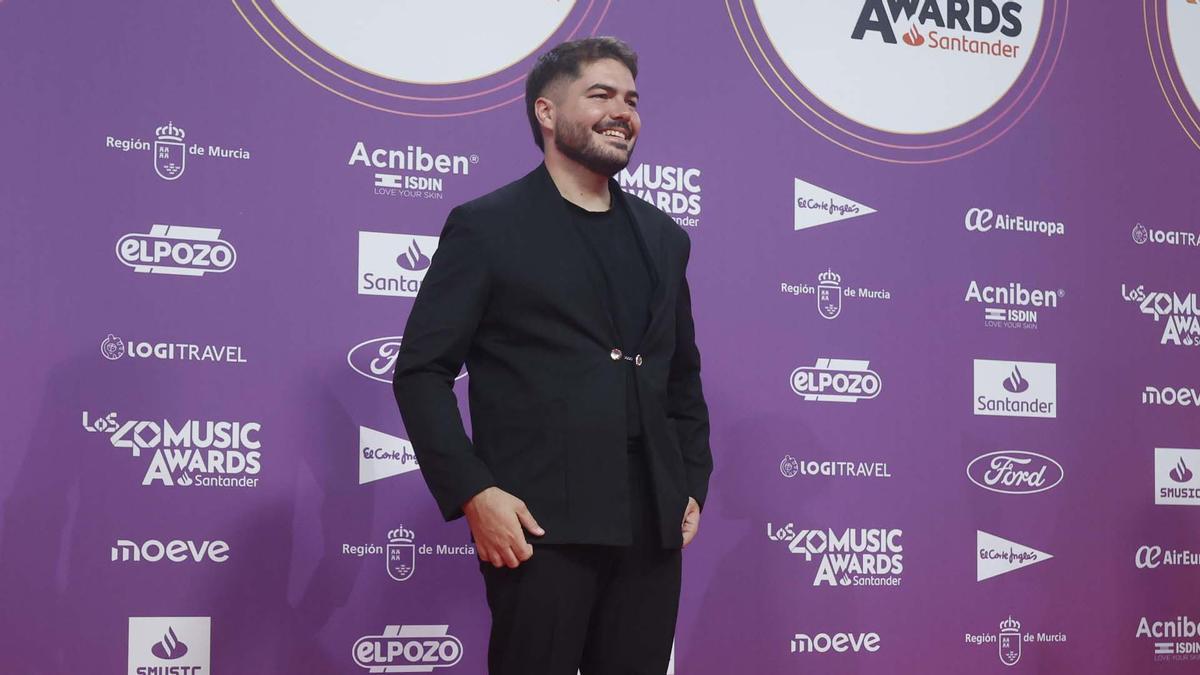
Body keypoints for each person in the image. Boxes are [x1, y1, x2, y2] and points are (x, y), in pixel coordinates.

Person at [392, 36, 713, 675]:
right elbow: (421, 372)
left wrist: (690, 481)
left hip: (651, 528)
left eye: (631, 100)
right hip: (539, 528)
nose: (622, 111)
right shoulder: (488, 226)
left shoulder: (664, 237)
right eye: (600, 95)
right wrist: (475, 492)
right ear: (546, 112)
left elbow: (681, 377)